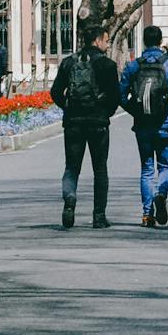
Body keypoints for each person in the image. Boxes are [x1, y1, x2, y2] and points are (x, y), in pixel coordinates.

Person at [51, 21, 119, 229]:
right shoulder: (107, 65)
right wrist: (105, 112)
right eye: (106, 41)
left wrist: (68, 108)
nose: (108, 45)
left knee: (72, 167)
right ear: (97, 41)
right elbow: (115, 97)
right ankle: (99, 216)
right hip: (98, 123)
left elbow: (55, 92)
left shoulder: (68, 62)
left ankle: (70, 199)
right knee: (100, 169)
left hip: (73, 123)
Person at [120, 25, 168, 227]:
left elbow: (121, 95)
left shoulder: (134, 66)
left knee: (147, 168)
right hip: (165, 122)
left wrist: (135, 110)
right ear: (160, 42)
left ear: (143, 41)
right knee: (165, 165)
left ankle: (147, 214)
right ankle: (161, 193)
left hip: (142, 124)